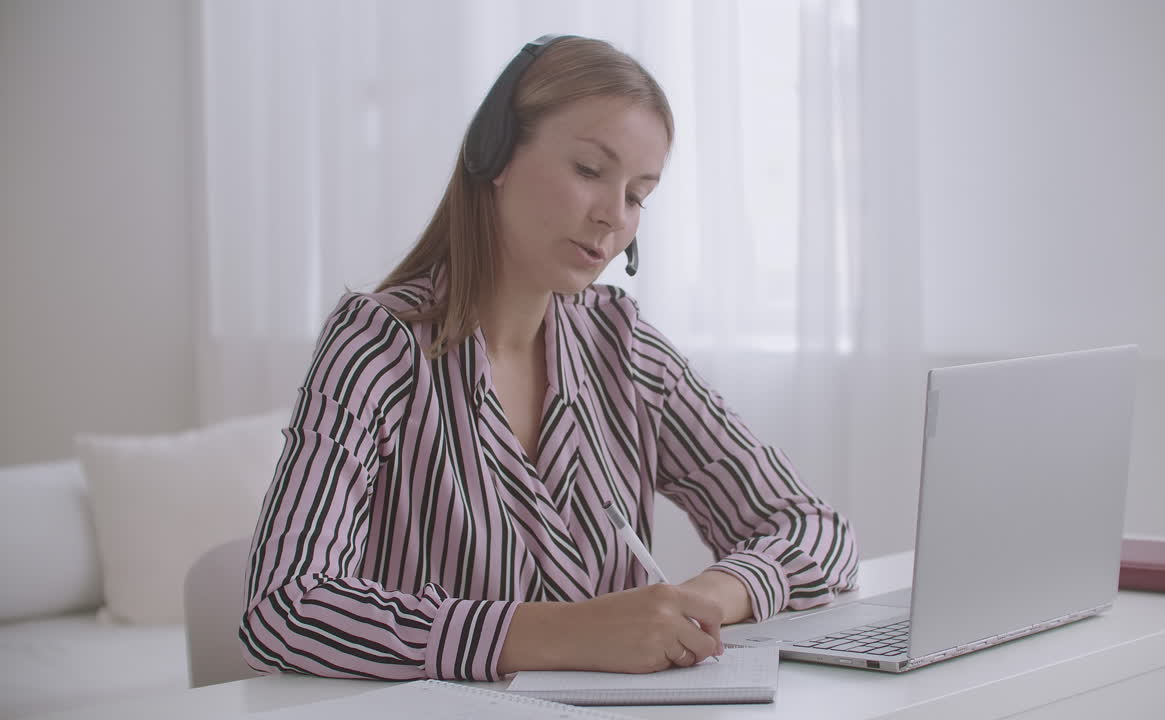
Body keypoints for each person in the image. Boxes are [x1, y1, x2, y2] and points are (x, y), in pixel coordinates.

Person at [239, 35, 858, 682]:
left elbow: (811, 528)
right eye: (590, 172)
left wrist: (704, 600)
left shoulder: (621, 341)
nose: (612, 218)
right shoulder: (378, 344)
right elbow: (285, 606)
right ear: (496, 155)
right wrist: (566, 633)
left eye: (638, 194)